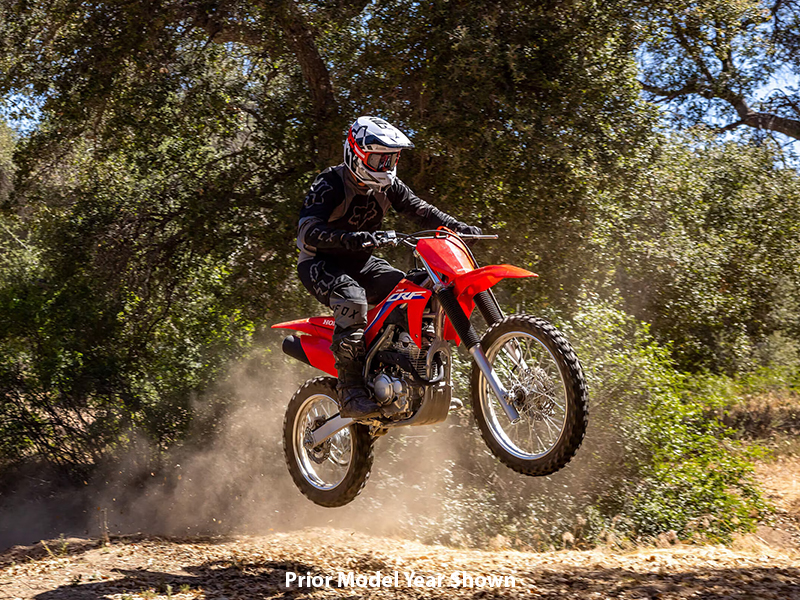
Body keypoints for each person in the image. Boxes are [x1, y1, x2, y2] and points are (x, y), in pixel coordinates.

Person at [296, 116, 481, 420]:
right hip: (320, 263)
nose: (385, 166)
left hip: (362, 261)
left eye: (391, 159)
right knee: (352, 298)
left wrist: (458, 228)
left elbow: (422, 211)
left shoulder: (389, 184)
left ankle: (413, 371)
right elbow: (307, 233)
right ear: (355, 154)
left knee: (417, 289)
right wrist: (356, 239)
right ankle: (350, 389)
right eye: (379, 159)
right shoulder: (329, 183)